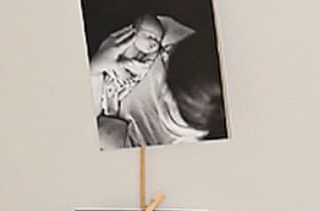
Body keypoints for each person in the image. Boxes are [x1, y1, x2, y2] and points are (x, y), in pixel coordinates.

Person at [91, 21, 227, 149]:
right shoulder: (188, 45)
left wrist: (95, 70)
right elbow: (148, 25)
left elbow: (93, 127)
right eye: (167, 65)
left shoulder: (148, 145)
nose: (162, 88)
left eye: (171, 95)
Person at [94, 13, 166, 118]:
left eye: (158, 41)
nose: (154, 42)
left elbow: (145, 68)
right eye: (150, 36)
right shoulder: (125, 45)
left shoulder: (150, 54)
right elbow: (109, 62)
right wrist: (121, 69)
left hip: (127, 88)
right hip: (112, 80)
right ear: (134, 33)